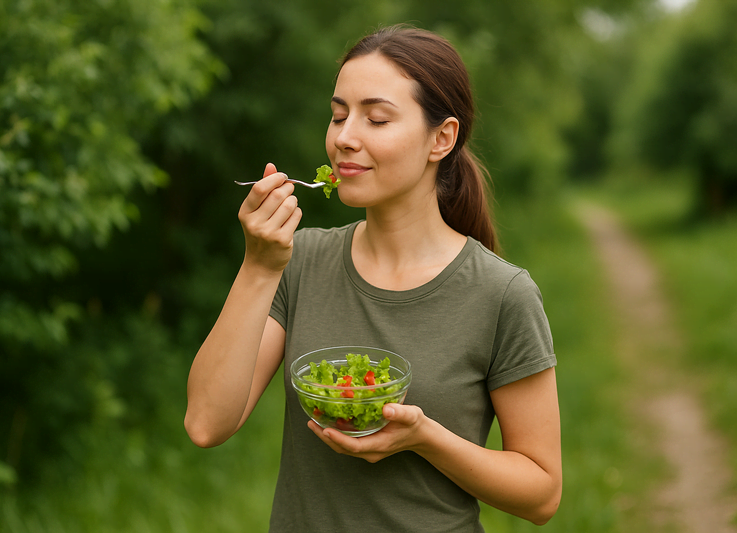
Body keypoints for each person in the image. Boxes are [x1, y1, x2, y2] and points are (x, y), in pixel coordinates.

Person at [185, 25, 561, 532]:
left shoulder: (501, 294)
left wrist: (424, 437)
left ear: (441, 138)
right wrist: (259, 265)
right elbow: (207, 423)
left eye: (376, 118)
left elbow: (540, 495)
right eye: (339, 115)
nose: (344, 137)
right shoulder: (300, 261)